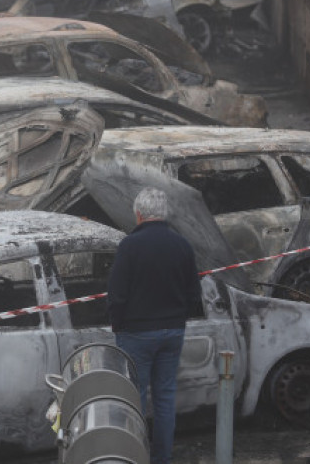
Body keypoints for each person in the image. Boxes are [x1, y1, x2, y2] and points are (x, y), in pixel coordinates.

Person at [107, 187, 203, 464]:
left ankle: (136, 456)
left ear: (138, 214)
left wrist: (118, 325)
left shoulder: (129, 246)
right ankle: (162, 458)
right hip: (173, 332)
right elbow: (194, 294)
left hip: (136, 334)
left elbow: (117, 293)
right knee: (165, 398)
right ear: (165, 214)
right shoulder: (182, 245)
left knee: (134, 400)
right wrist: (177, 318)